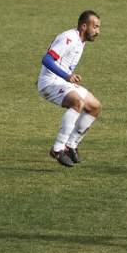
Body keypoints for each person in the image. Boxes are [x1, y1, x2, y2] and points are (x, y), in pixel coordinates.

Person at [37, 10, 102, 168]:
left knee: (94, 107)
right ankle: (58, 149)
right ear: (84, 26)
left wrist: (69, 77)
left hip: (63, 82)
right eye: (95, 27)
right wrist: (67, 76)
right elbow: (46, 59)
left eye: (99, 27)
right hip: (49, 82)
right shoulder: (69, 38)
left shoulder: (81, 40)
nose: (97, 31)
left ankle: (71, 145)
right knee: (77, 102)